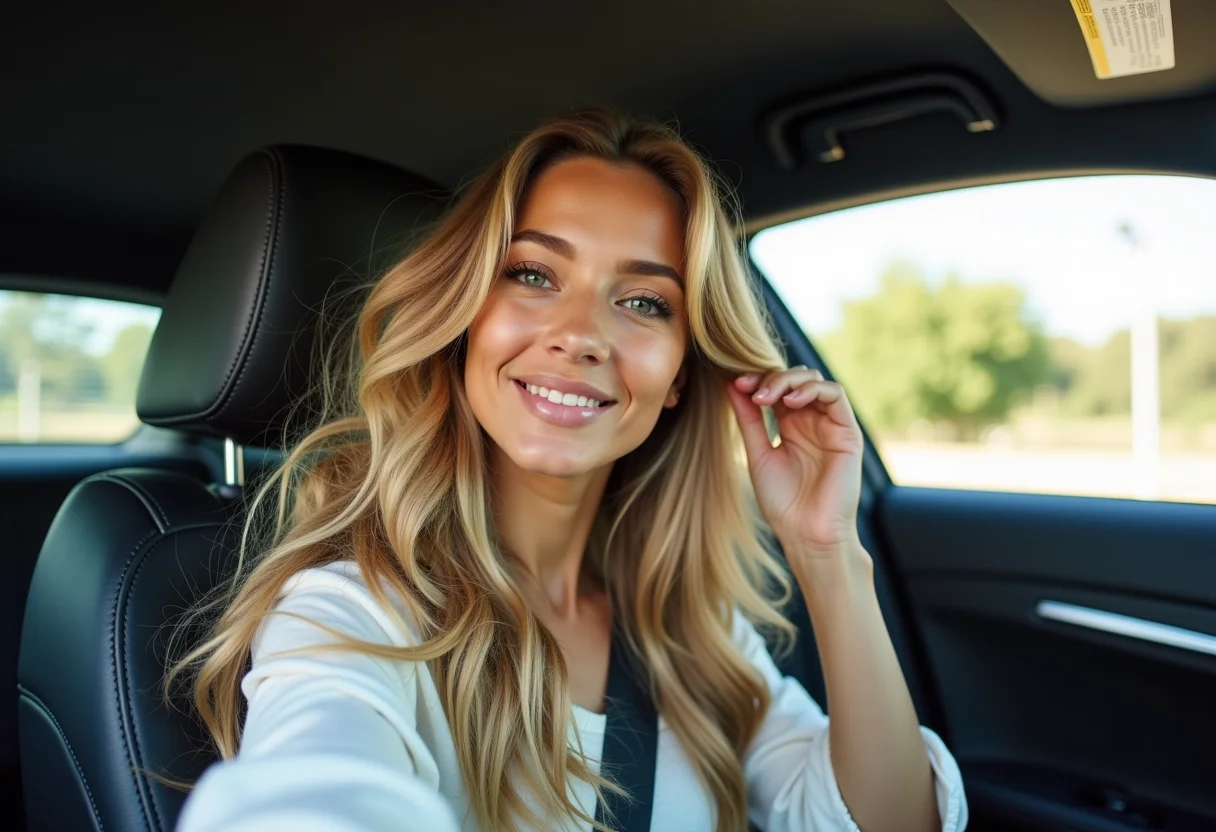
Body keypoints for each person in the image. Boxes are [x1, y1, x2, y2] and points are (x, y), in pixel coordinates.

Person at [173, 109, 967, 832]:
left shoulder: (692, 633)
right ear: (465, 316)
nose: (580, 334)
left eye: (645, 302)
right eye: (533, 275)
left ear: (679, 376)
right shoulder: (353, 615)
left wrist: (827, 553)